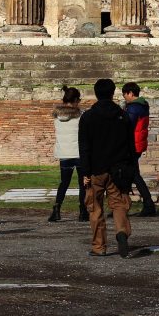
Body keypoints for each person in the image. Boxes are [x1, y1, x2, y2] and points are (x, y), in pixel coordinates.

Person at [78, 78, 134, 258]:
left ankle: (99, 246)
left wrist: (85, 172)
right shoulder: (122, 115)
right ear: (112, 93)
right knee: (118, 205)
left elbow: (84, 147)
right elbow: (130, 146)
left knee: (95, 208)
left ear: (96, 93)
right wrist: (130, 168)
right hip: (118, 168)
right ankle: (122, 232)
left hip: (96, 169)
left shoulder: (88, 117)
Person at [50, 86, 87, 223]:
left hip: (64, 153)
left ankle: (56, 208)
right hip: (78, 153)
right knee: (82, 184)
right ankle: (83, 211)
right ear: (76, 100)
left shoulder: (57, 116)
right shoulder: (81, 115)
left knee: (64, 183)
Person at [121, 82, 157, 217]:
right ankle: (123, 206)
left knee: (132, 174)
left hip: (131, 145)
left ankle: (147, 205)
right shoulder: (142, 106)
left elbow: (126, 126)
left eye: (125, 95)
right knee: (130, 174)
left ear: (130, 93)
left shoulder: (134, 108)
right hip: (137, 144)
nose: (125, 97)